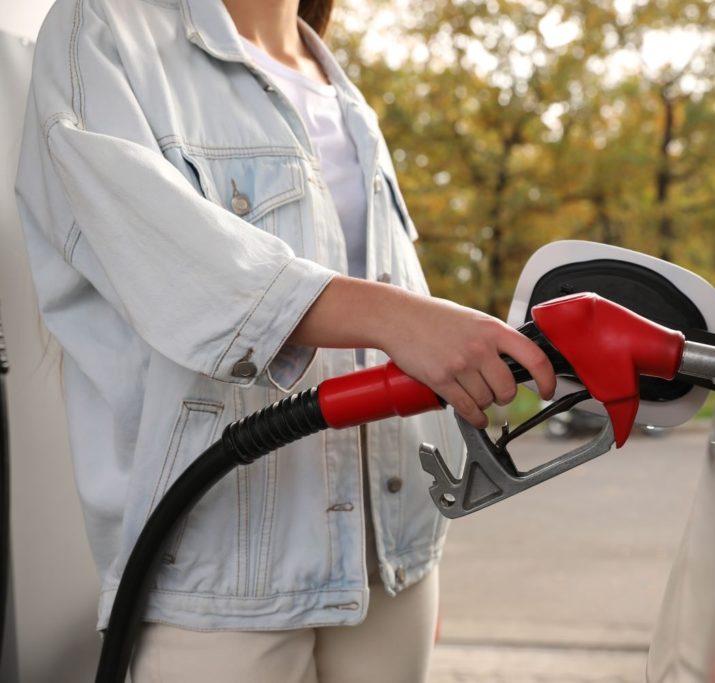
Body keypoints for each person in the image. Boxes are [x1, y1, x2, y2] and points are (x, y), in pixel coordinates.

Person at [15, 0, 556, 680]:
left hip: (390, 563)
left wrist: (418, 555)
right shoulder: (103, 28)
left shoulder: (341, 92)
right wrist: (397, 316)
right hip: (223, 576)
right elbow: (177, 269)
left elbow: (382, 291)